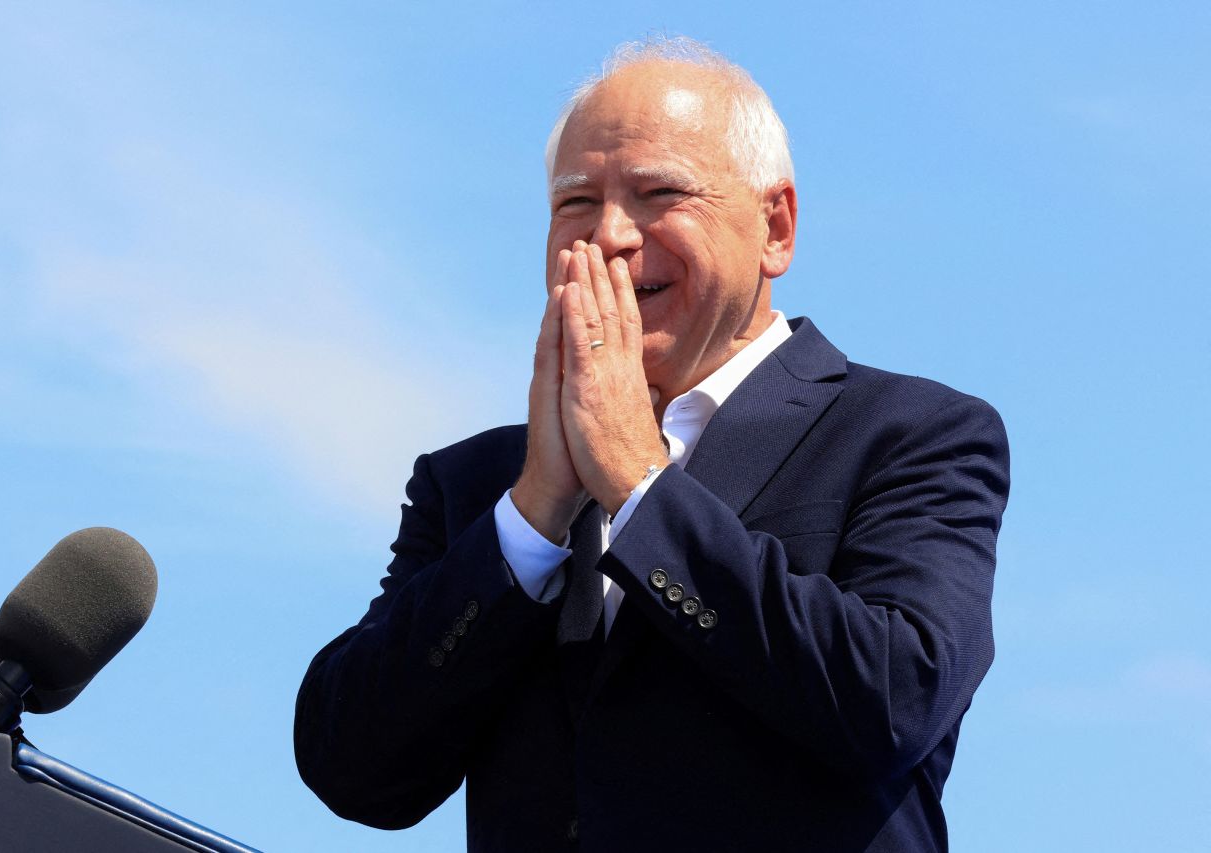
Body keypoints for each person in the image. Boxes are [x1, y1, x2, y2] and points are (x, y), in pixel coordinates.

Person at [295, 36, 1009, 853]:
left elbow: (890, 700)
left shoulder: (911, 435)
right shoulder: (478, 484)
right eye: (574, 203)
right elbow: (347, 764)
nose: (608, 236)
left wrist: (639, 484)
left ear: (775, 226)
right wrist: (532, 518)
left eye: (657, 193)